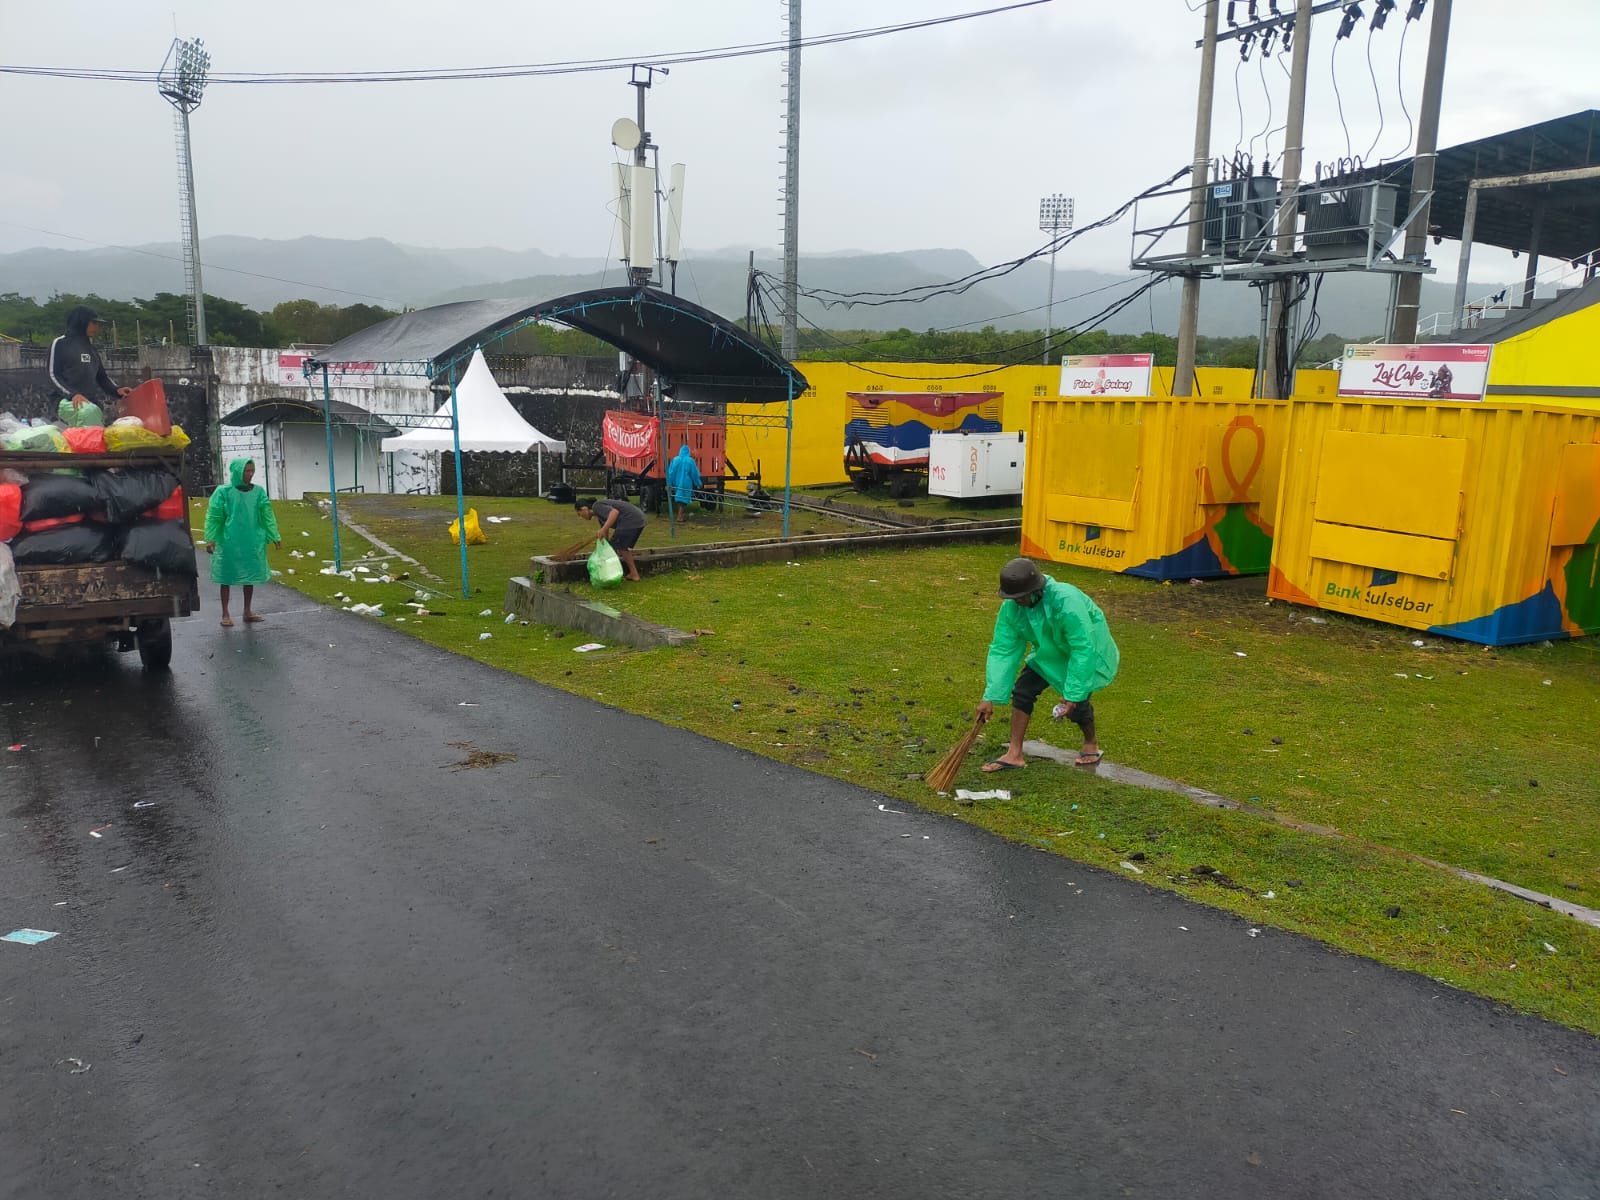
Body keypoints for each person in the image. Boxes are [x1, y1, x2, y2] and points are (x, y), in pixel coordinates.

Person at [975, 557, 1120, 771]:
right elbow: (1003, 649)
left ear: (1036, 590)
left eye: (1020, 597)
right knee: (1023, 690)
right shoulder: (1013, 608)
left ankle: (1091, 744)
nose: (1016, 601)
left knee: (1076, 705)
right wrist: (990, 696)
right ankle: (1014, 753)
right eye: (1012, 597)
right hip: (1049, 653)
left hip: (1087, 652)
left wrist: (1073, 692)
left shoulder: (1066, 601)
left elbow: (1083, 647)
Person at [204, 459, 281, 628]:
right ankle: (225, 613)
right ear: (238, 472)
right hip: (228, 540)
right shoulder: (223, 492)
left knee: (249, 575)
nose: (250, 474)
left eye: (252, 470)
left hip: (251, 539)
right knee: (226, 575)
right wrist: (211, 538)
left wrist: (274, 535)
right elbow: (214, 516)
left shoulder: (259, 492)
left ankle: (247, 611)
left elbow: (267, 514)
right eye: (247, 471)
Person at [49, 305, 131, 421]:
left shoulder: (91, 349)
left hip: (89, 401)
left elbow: (102, 377)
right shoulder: (61, 343)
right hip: (65, 400)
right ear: (81, 322)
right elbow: (53, 375)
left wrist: (116, 390)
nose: (97, 327)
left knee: (98, 427)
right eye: (94, 323)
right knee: (88, 415)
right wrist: (73, 394)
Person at [575, 495, 647, 582]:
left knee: (621, 547)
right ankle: (633, 574)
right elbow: (605, 533)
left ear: (584, 509)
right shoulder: (599, 515)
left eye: (579, 514)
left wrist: (603, 529)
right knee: (621, 548)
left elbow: (614, 512)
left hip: (631, 519)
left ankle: (617, 574)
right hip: (638, 519)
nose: (581, 517)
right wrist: (603, 546)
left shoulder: (596, 506)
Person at [665, 444, 702, 523]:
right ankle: (680, 516)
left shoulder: (675, 460)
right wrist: (698, 483)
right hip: (686, 482)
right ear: (688, 452)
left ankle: (680, 516)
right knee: (683, 499)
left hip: (676, 482)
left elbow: (670, 473)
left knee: (680, 498)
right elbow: (694, 473)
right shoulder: (690, 461)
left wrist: (669, 483)